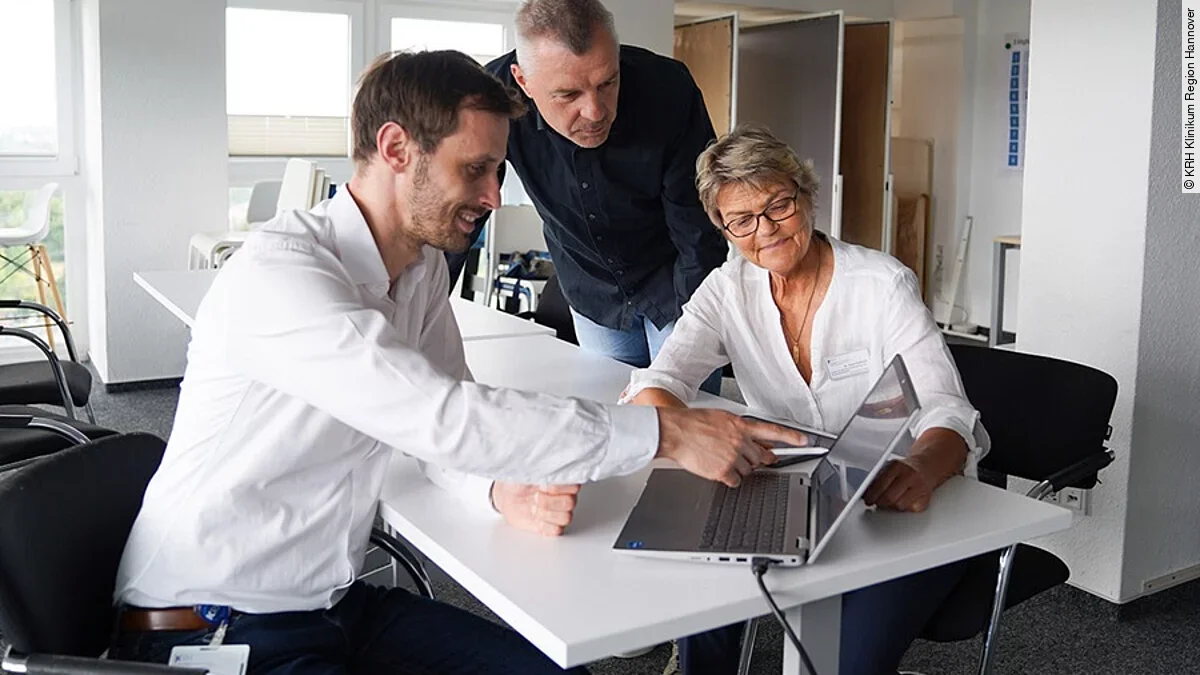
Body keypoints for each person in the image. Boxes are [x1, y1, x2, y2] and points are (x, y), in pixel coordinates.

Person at [112, 53, 806, 675]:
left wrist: (499, 492)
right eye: (474, 169)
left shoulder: (415, 273)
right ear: (395, 149)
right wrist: (671, 432)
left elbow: (441, 420)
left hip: (333, 604)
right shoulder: (283, 276)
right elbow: (441, 417)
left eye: (498, 170)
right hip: (213, 623)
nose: (494, 195)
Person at [622, 124, 991, 675]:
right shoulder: (728, 289)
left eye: (778, 207)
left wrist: (920, 465)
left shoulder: (880, 284)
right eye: (741, 220)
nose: (764, 231)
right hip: (796, 494)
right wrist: (688, 434)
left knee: (836, 664)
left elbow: (946, 407)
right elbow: (662, 379)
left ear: (807, 195)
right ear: (722, 227)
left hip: (898, 502)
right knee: (702, 611)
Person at [447, 0, 728, 394]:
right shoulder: (491, 99)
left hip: (675, 285)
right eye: (567, 94)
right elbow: (463, 209)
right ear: (523, 82)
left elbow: (698, 227)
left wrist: (698, 325)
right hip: (592, 290)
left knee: (687, 416)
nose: (595, 111)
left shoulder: (668, 89)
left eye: (607, 83)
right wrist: (421, 310)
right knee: (610, 419)